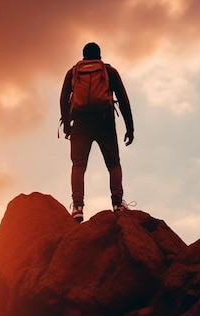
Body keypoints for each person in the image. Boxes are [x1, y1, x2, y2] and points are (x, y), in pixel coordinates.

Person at [60, 42, 134, 222]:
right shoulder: (109, 71)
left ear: (83, 56)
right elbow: (123, 100)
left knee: (78, 165)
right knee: (113, 164)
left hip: (80, 122)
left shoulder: (73, 72)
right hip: (104, 121)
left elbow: (63, 99)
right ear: (100, 56)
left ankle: (77, 207)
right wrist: (130, 127)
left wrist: (67, 124)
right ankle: (117, 204)